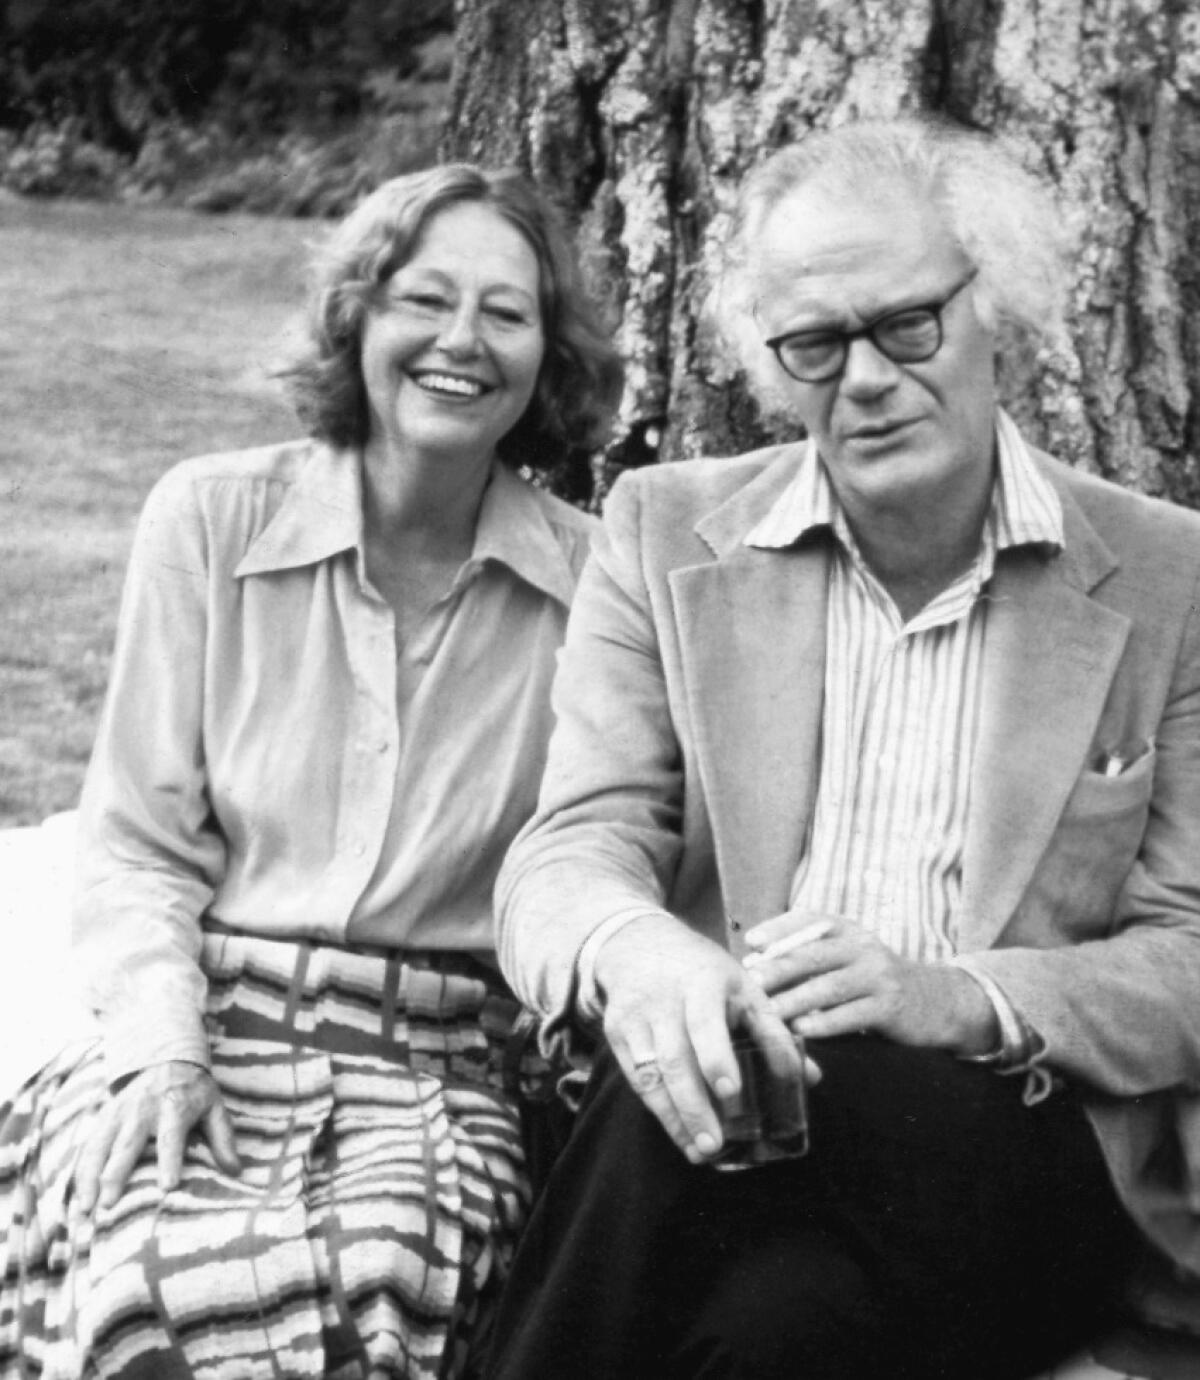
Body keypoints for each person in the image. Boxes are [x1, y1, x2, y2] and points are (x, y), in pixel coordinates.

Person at [484, 119, 1200, 1379]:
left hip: (1023, 1157)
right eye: (816, 343)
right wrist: (644, 955)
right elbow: (571, 851)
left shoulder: (1169, 576)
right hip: (739, 1137)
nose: (866, 378)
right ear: (773, 368)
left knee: (688, 1115)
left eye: (908, 324)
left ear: (999, 315)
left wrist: (950, 997)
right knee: (776, 1330)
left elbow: (1193, 956)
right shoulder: (665, 535)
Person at [0, 163, 622, 1378]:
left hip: (432, 1068)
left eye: (507, 312)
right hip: (198, 1023)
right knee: (135, 1280)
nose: (461, 340)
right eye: (422, 298)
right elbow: (136, 845)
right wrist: (160, 1046)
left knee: (383, 1281)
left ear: (549, 355)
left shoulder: (595, 588)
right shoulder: (211, 521)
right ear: (357, 318)